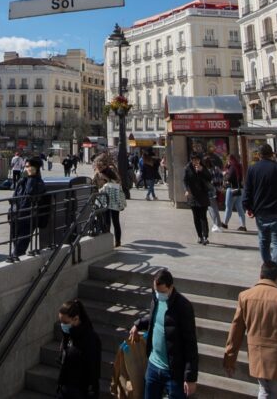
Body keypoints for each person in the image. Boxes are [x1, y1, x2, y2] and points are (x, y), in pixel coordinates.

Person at [223, 260, 277, 399]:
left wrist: (229, 359)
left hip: (257, 361)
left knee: (264, 391)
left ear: (260, 275)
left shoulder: (245, 296)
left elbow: (235, 331)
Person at [129, 268, 198, 399]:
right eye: (156, 290)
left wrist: (190, 378)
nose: (158, 294)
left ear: (171, 287)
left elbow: (191, 344)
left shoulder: (183, 307)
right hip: (153, 367)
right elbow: (156, 319)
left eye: (162, 291)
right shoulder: (156, 297)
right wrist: (138, 324)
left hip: (173, 373)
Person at [242, 144, 277, 269]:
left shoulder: (253, 170)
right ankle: (276, 272)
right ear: (272, 154)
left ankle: (268, 269)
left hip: (261, 211)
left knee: (264, 242)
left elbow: (247, 190)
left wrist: (248, 207)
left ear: (259, 155)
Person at [56, 298, 102, 399]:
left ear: (76, 319)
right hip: (65, 389)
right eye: (61, 322)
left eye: (65, 322)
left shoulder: (90, 339)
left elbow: (93, 371)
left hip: (80, 392)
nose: (62, 325)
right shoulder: (68, 335)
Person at [10, 156, 46, 257]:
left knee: (19, 248)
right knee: (15, 241)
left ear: (35, 169)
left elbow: (30, 192)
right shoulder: (22, 181)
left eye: (28, 167)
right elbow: (15, 196)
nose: (26, 169)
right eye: (25, 167)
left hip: (28, 217)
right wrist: (11, 211)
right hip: (16, 215)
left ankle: (15, 259)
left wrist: (31, 177)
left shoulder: (39, 182)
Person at [184, 153, 211, 245]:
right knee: (196, 217)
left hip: (203, 195)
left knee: (203, 216)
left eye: (198, 160)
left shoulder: (203, 167)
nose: (196, 162)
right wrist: (186, 190)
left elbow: (209, 178)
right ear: (191, 160)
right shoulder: (187, 169)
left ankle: (205, 236)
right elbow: (185, 181)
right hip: (193, 196)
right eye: (194, 160)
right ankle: (199, 235)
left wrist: (202, 170)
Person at [100, 166, 126, 248]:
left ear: (105, 175)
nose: (101, 176)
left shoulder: (107, 185)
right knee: (116, 222)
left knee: (107, 222)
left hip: (108, 204)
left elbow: (101, 192)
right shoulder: (116, 182)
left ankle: (107, 240)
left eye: (102, 175)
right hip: (116, 204)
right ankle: (118, 241)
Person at [222, 154, 247, 231]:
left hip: (232, 189)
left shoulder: (232, 167)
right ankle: (243, 225)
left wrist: (225, 175)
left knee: (228, 207)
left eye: (228, 160)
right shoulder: (239, 166)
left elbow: (230, 178)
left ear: (230, 160)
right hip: (240, 189)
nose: (227, 161)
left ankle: (225, 223)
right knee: (239, 207)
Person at [202, 156, 223, 233]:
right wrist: (219, 188)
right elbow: (221, 178)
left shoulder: (205, 170)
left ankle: (216, 224)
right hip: (216, 190)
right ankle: (219, 224)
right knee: (215, 208)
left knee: (211, 209)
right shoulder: (216, 168)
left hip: (208, 192)